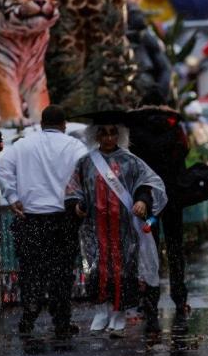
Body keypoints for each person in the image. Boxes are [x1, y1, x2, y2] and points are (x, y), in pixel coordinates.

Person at [65, 113, 168, 336]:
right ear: (96, 135)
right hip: (94, 228)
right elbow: (74, 190)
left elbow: (146, 183)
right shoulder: (85, 162)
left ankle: (119, 313)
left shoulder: (131, 161)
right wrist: (77, 206)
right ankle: (102, 310)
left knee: (123, 269)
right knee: (97, 268)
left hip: (124, 228)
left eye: (113, 132)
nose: (109, 137)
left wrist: (142, 200)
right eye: (104, 132)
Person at [0, 105, 87, 338]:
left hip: (30, 219)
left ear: (42, 124)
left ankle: (29, 314)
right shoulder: (75, 146)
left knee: (31, 270)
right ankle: (61, 322)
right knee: (62, 272)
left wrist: (13, 197)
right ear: (64, 125)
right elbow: (87, 176)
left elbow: (3, 169)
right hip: (62, 219)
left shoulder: (23, 145)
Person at [124, 106, 192, 318]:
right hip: (171, 197)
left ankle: (149, 298)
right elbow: (184, 153)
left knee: (148, 247)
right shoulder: (175, 127)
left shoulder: (135, 129)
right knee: (174, 247)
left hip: (148, 199)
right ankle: (179, 298)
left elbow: (132, 162)